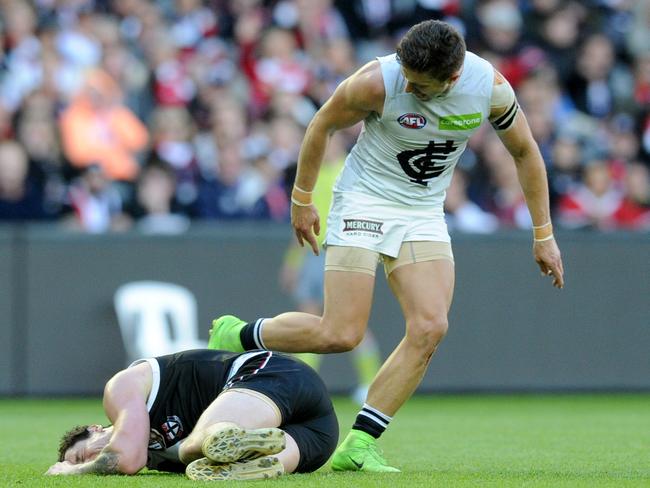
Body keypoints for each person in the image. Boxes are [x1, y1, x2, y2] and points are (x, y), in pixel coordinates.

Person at [208, 20, 564, 472]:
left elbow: (525, 152)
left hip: (422, 212)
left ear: (452, 78)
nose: (409, 88)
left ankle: (359, 445)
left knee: (431, 327)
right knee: (340, 334)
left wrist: (543, 234)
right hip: (364, 201)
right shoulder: (377, 81)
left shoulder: (489, 88)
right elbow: (321, 125)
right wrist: (301, 199)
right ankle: (237, 334)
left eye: (421, 86)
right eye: (407, 79)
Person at [45, 349, 338, 480]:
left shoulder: (121, 389)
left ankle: (225, 436)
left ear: (96, 429)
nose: (94, 462)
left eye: (84, 455)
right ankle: (245, 467)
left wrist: (71, 470)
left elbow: (125, 458)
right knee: (207, 461)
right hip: (317, 434)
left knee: (191, 449)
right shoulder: (157, 460)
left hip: (273, 374)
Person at [278, 133, 382, 404]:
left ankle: (371, 383)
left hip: (339, 251)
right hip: (312, 253)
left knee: (349, 321)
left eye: (330, 141)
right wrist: (292, 263)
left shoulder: (351, 170)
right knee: (309, 317)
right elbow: (299, 220)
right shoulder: (310, 176)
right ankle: (304, 384)